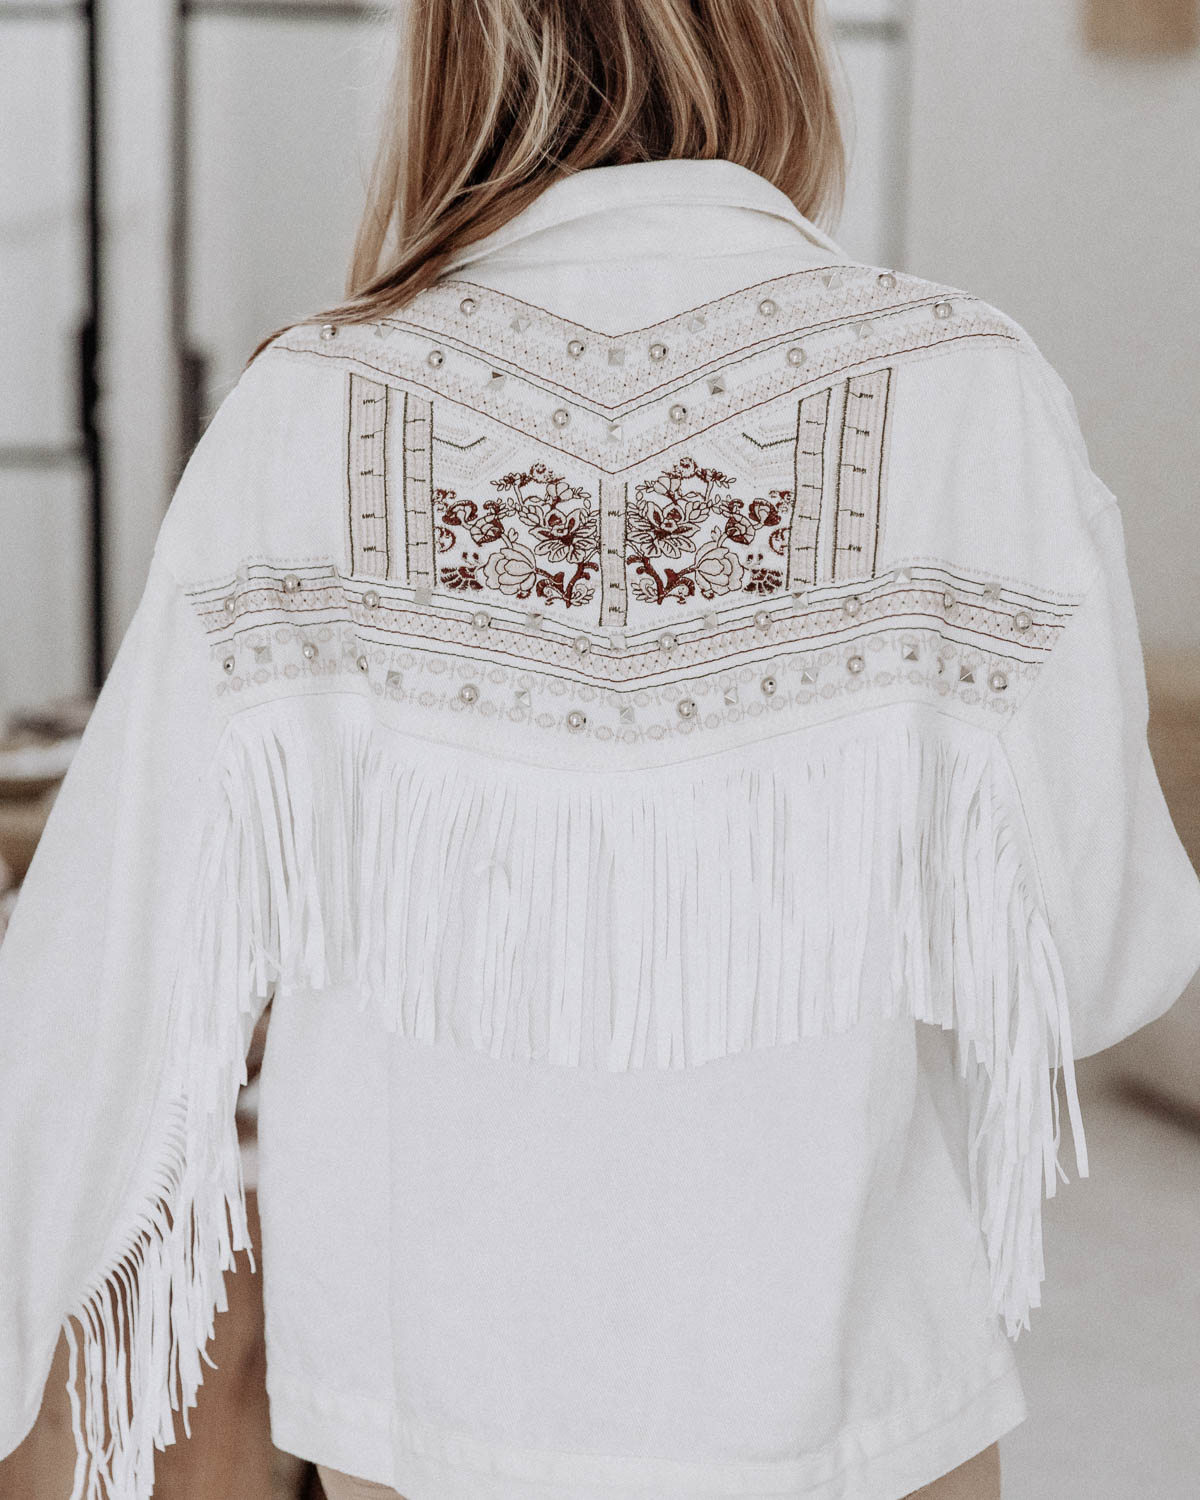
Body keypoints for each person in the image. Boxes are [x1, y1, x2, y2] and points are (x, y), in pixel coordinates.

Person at [3, 3, 1199, 1499]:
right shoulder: (967, 386)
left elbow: (101, 971)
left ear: (451, 52)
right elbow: (1100, 963)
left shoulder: (305, 408)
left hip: (428, 1413)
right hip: (858, 1399)